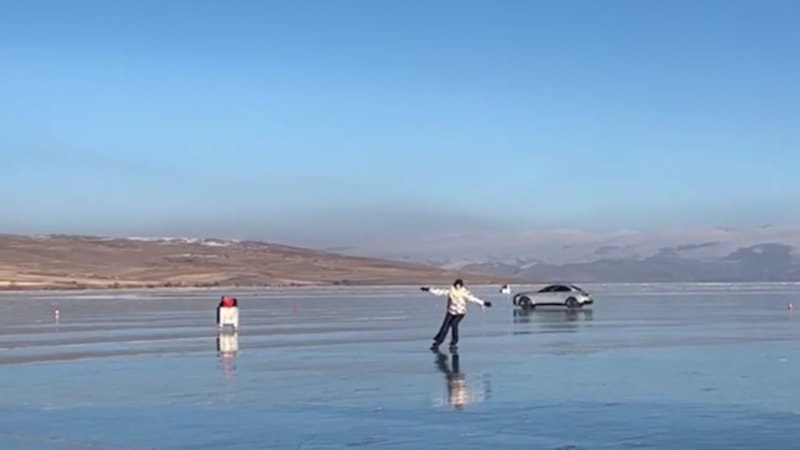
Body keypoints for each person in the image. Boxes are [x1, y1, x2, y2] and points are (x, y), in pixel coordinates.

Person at [421, 279, 492, 351]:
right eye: (456, 286)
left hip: (460, 313)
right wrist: (429, 289)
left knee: (454, 324)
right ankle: (438, 342)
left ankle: (454, 342)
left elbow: (473, 299)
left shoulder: (465, 293)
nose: (457, 287)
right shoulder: (451, 291)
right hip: (451, 312)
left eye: (459, 286)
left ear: (461, 286)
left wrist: (483, 303)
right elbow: (440, 292)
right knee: (445, 326)